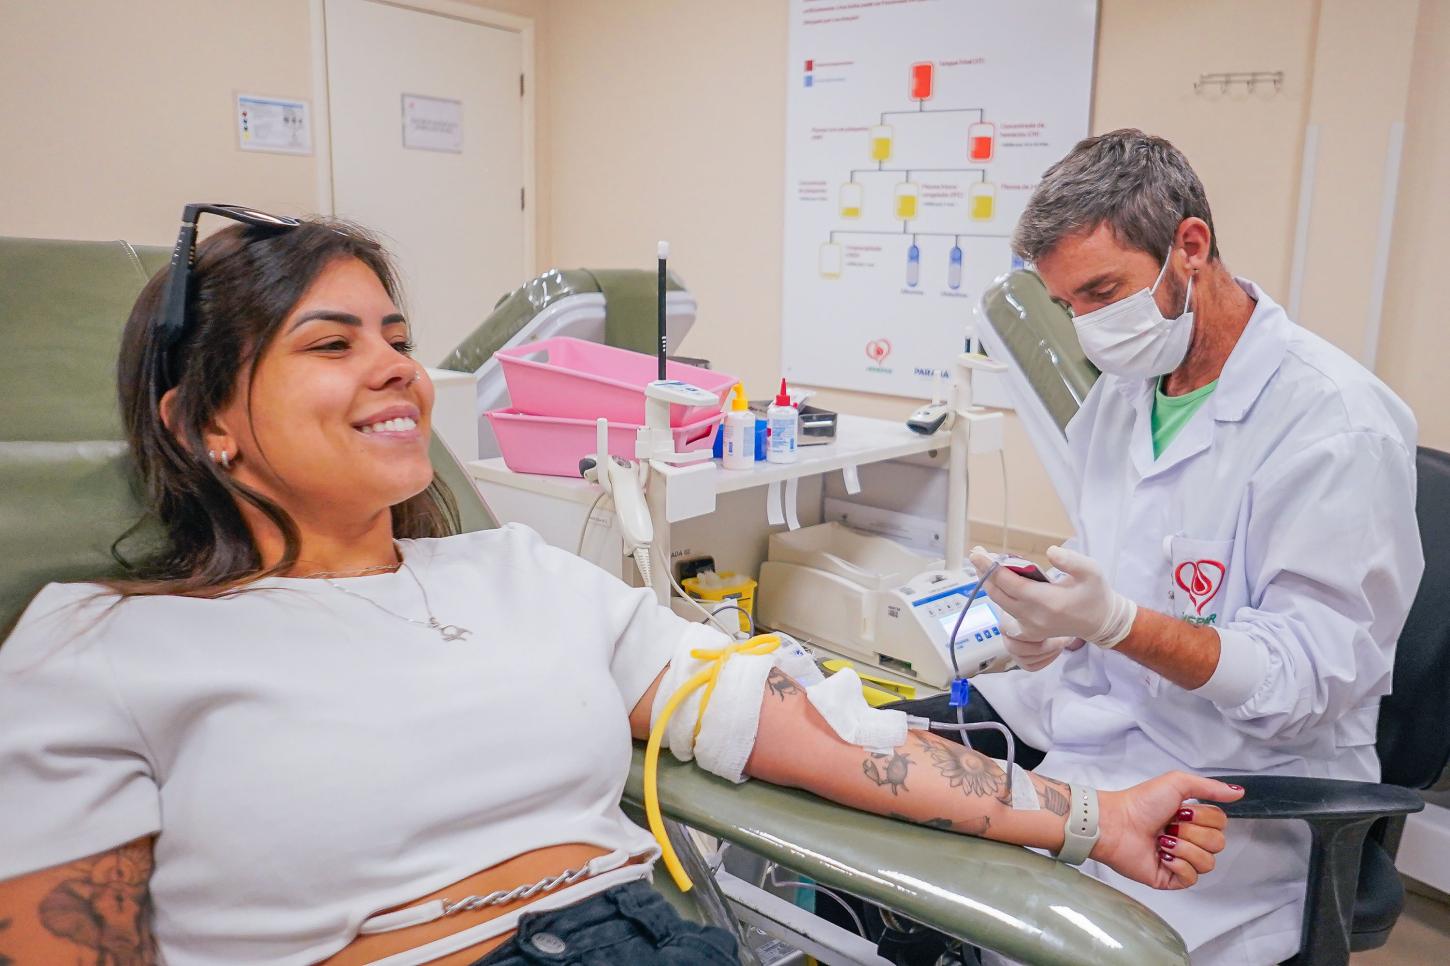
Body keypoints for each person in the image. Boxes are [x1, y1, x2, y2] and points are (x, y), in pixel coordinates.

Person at [0, 210, 1241, 966]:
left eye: (395, 335)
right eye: (333, 344)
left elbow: (802, 728)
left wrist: (1092, 816)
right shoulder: (100, 648)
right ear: (202, 421)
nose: (397, 370)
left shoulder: (519, 571)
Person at [956, 130, 1423, 963]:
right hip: (1101, 760)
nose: (1093, 328)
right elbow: (1128, 569)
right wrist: (1051, 627)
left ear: (1191, 247)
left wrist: (1116, 624)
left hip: (1237, 807)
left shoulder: (1335, 425)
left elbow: (1303, 679)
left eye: (1105, 291)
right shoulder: (1122, 400)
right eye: (1071, 308)